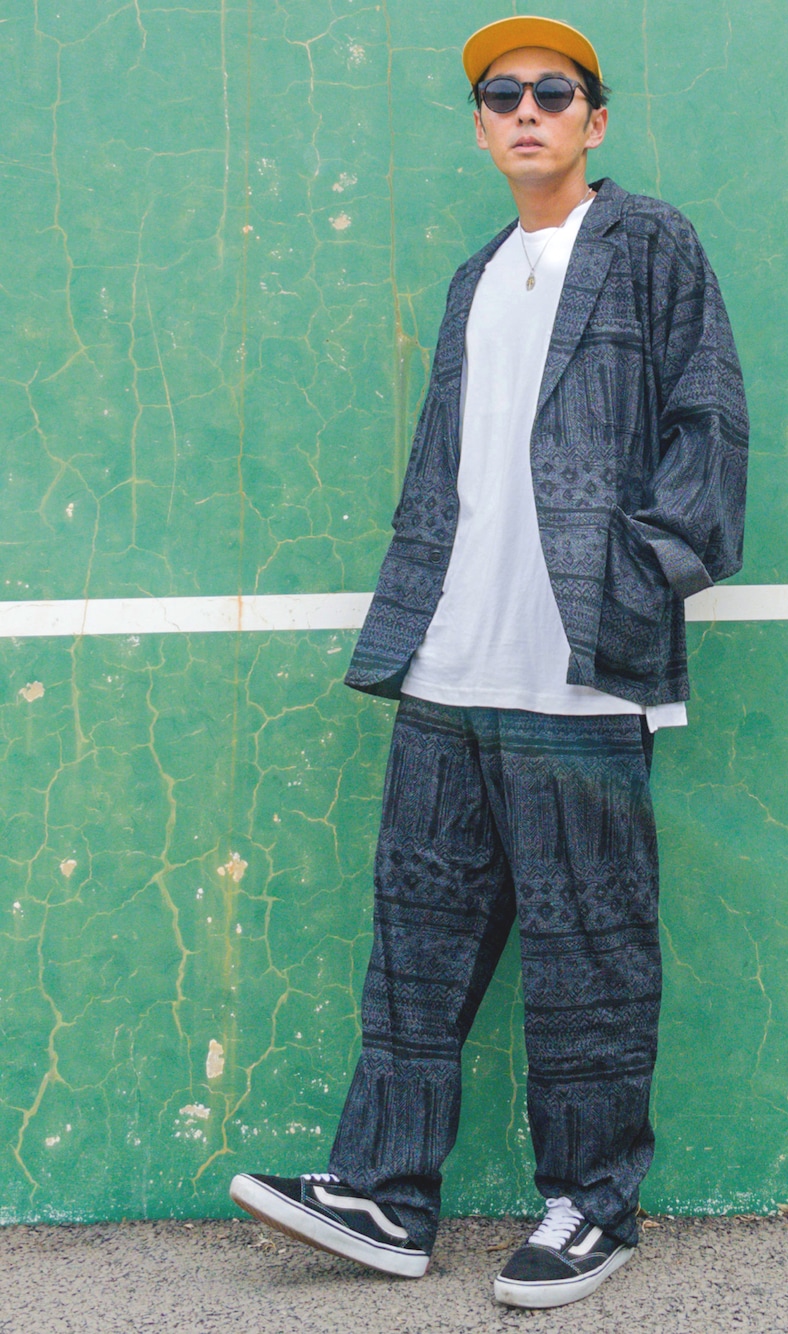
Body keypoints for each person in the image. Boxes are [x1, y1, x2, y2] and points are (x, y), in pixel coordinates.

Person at [230, 14, 748, 1311]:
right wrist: (415, 617)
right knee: (415, 943)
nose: (527, 110)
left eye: (552, 93)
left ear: (594, 120)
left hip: (578, 671)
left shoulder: (648, 244)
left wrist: (646, 574)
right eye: (502, 94)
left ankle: (592, 1205)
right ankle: (385, 1196)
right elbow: (444, 466)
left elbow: (709, 419)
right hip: (449, 668)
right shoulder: (477, 277)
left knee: (589, 953)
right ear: (479, 127)